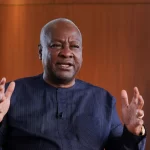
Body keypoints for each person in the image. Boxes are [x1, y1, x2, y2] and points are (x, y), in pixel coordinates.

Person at [0, 18, 146, 150]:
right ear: (40, 51)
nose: (66, 53)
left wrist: (132, 132)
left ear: (81, 54)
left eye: (74, 46)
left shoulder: (103, 100)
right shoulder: (10, 96)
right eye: (56, 45)